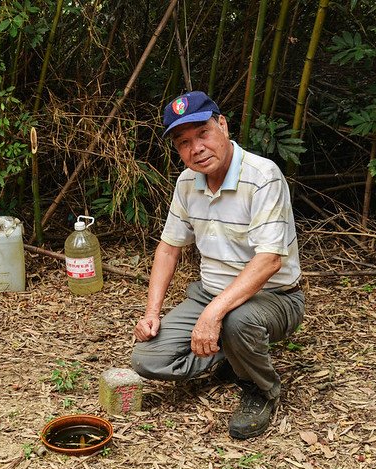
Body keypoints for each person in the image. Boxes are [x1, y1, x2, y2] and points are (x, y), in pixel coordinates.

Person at [131, 91, 305, 440]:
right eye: (184, 142)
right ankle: (231, 353)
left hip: (273, 297)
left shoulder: (262, 176)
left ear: (222, 125)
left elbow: (270, 260)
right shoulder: (186, 183)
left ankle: (260, 390)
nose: (196, 148)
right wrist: (152, 311)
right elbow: (168, 248)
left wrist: (214, 315)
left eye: (203, 134)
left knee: (238, 320)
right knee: (147, 359)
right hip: (209, 293)